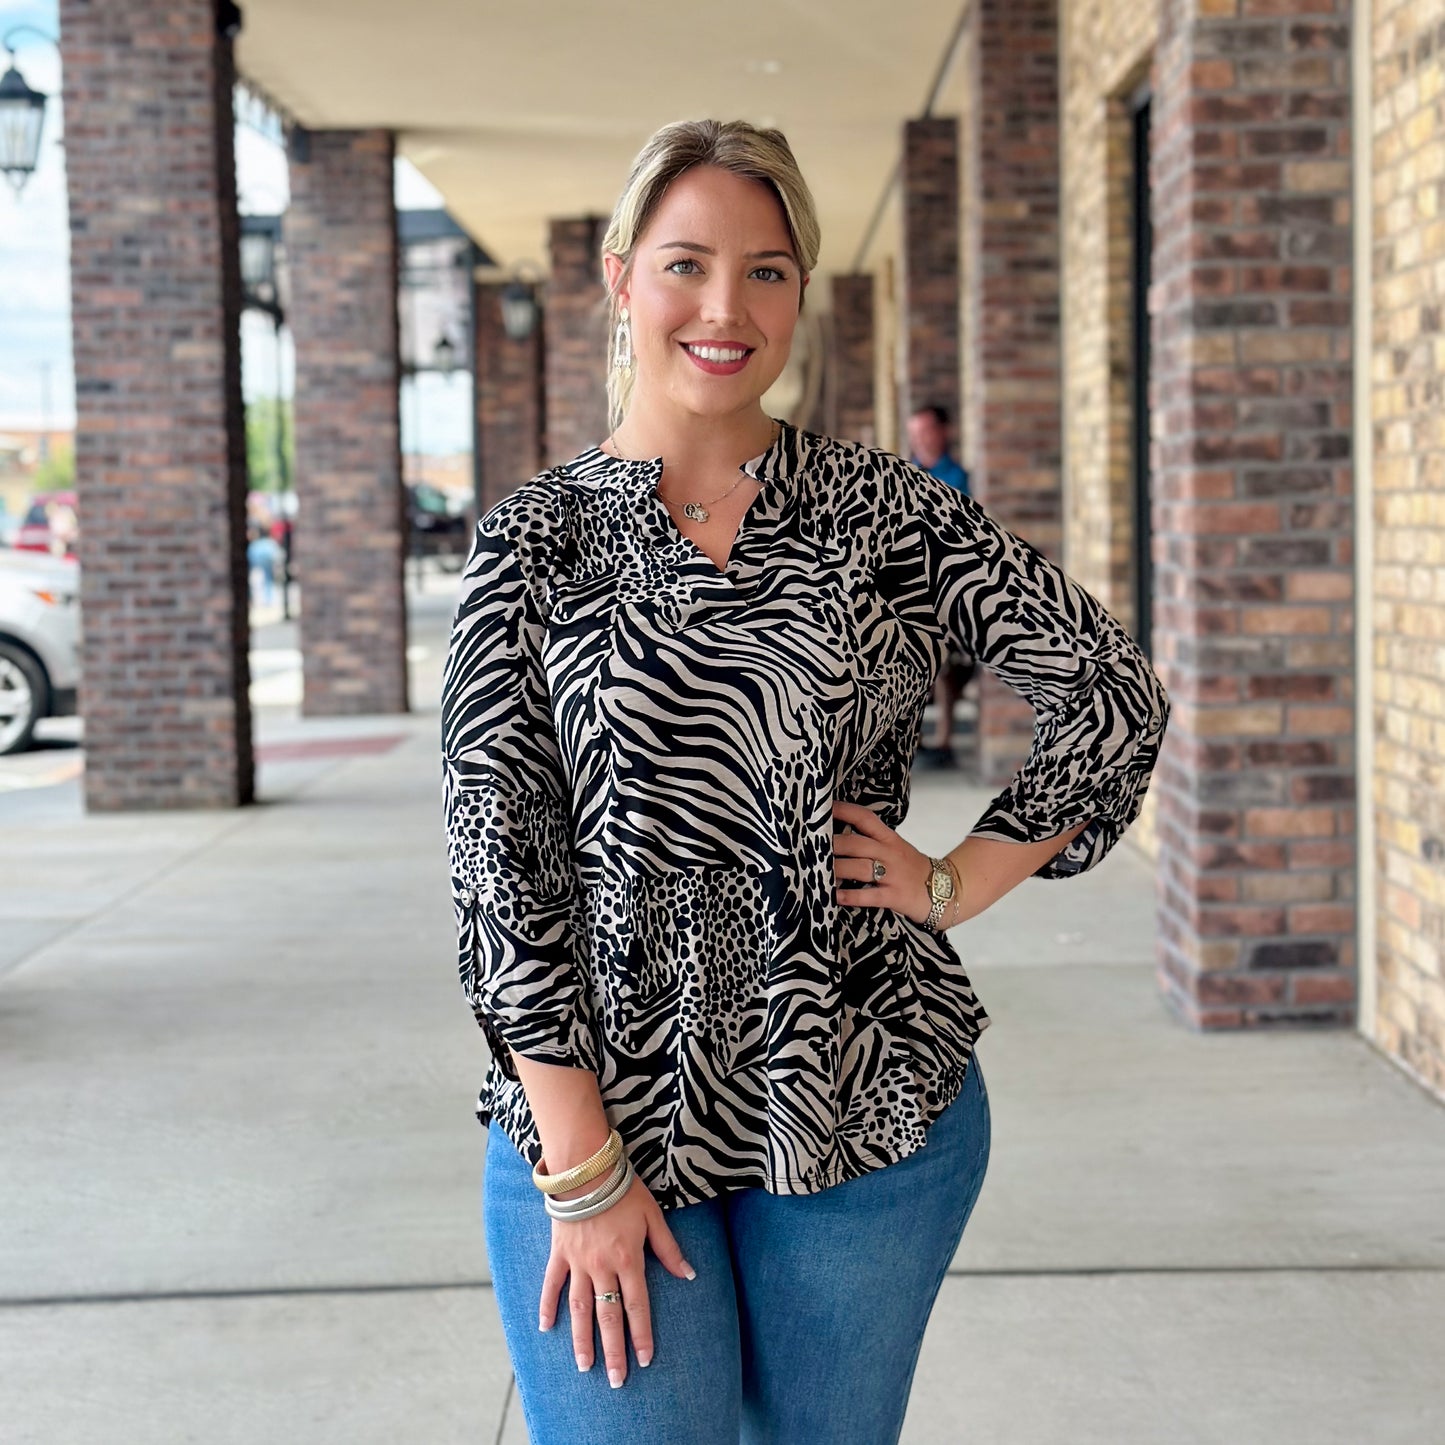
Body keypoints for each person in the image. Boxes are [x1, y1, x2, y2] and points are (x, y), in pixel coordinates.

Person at [441, 119, 1170, 1445]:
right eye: (687, 264)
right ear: (620, 279)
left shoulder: (882, 512)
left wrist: (957, 879)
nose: (727, 307)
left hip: (859, 1102)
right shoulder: (531, 545)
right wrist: (585, 1169)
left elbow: (1106, 689)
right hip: (602, 1111)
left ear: (800, 293)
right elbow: (501, 869)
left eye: (768, 271)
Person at [907, 404, 974, 768]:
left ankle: (944, 740)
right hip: (910, 586)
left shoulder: (959, 477)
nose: (918, 440)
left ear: (943, 432)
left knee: (945, 666)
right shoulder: (905, 474)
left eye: (925, 431)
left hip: (948, 586)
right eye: (913, 433)